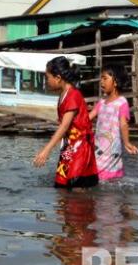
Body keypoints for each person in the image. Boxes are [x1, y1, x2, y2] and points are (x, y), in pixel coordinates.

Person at [33, 56, 98, 189]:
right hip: (70, 146)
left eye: (47, 77)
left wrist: (46, 150)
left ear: (58, 78)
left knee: (76, 185)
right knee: (62, 185)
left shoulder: (73, 95)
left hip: (80, 148)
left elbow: (64, 126)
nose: (46, 81)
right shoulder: (64, 94)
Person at [90, 65, 138, 182]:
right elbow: (88, 117)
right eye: (101, 79)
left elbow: (123, 124)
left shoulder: (122, 102)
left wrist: (126, 142)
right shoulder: (101, 103)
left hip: (112, 150)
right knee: (97, 176)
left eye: (105, 78)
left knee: (109, 180)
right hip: (99, 148)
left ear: (115, 82)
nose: (101, 82)